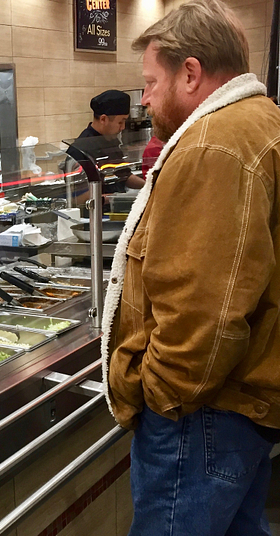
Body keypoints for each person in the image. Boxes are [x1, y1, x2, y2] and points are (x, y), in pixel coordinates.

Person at [102, 1, 280, 535]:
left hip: (199, 414)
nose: (147, 99)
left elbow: (205, 309)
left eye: (150, 82)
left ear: (191, 73)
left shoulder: (214, 144)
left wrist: (159, 394)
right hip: (236, 406)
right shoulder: (261, 119)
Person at [66, 90, 147, 192]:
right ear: (103, 119)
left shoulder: (111, 142)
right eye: (120, 122)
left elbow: (124, 175)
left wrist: (149, 187)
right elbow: (76, 196)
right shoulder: (80, 150)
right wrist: (115, 199)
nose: (123, 127)